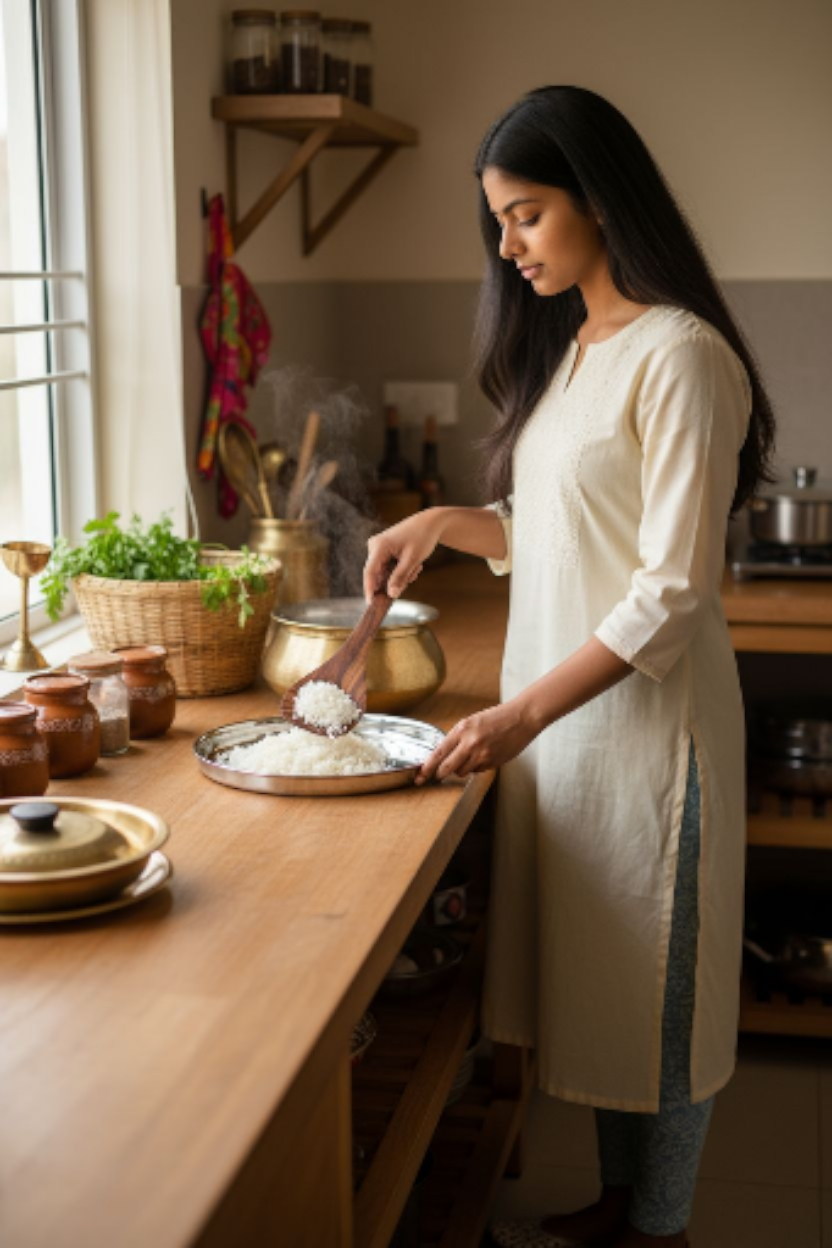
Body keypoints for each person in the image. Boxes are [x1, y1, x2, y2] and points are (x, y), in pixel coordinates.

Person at [363, 85, 776, 1248]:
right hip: (565, 728)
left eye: (527, 215)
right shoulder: (574, 349)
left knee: (663, 986)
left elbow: (670, 589)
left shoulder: (680, 356)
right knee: (607, 984)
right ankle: (614, 1205)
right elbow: (553, 525)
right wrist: (450, 520)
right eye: (498, 220)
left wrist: (521, 716)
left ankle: (664, 1228)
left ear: (599, 199)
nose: (507, 245)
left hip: (648, 737)